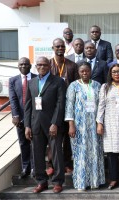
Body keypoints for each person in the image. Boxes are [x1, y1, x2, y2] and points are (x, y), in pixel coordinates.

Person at [24, 56, 67, 193]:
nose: (42, 67)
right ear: (36, 67)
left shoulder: (58, 81)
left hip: (52, 125)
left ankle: (57, 181)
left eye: (44, 64)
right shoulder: (32, 82)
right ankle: (41, 181)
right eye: (39, 65)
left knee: (56, 153)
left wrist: (55, 123)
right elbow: (28, 106)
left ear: (49, 66)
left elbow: (60, 105)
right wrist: (27, 125)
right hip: (35, 124)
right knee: (37, 154)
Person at [65, 62, 105, 191]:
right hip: (79, 126)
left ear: (90, 71)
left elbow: (101, 105)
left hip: (94, 125)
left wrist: (100, 123)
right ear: (78, 72)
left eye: (87, 71)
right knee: (80, 153)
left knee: (94, 152)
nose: (84, 73)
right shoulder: (73, 86)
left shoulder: (97, 85)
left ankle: (94, 182)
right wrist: (71, 125)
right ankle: (81, 182)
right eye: (82, 71)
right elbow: (69, 105)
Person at [49, 38, 79, 175]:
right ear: (53, 48)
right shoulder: (48, 64)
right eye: (57, 46)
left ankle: (67, 163)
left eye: (62, 46)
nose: (60, 48)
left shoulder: (72, 65)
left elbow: (76, 85)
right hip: (52, 105)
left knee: (67, 137)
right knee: (52, 136)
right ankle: (51, 163)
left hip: (68, 104)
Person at [9, 57, 37, 179]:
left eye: (26, 64)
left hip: (35, 116)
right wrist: (15, 115)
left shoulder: (37, 78)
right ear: (18, 66)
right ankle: (25, 167)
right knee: (23, 142)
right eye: (21, 64)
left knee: (36, 143)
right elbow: (13, 99)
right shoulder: (13, 80)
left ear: (30, 66)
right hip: (20, 117)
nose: (24, 66)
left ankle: (35, 168)